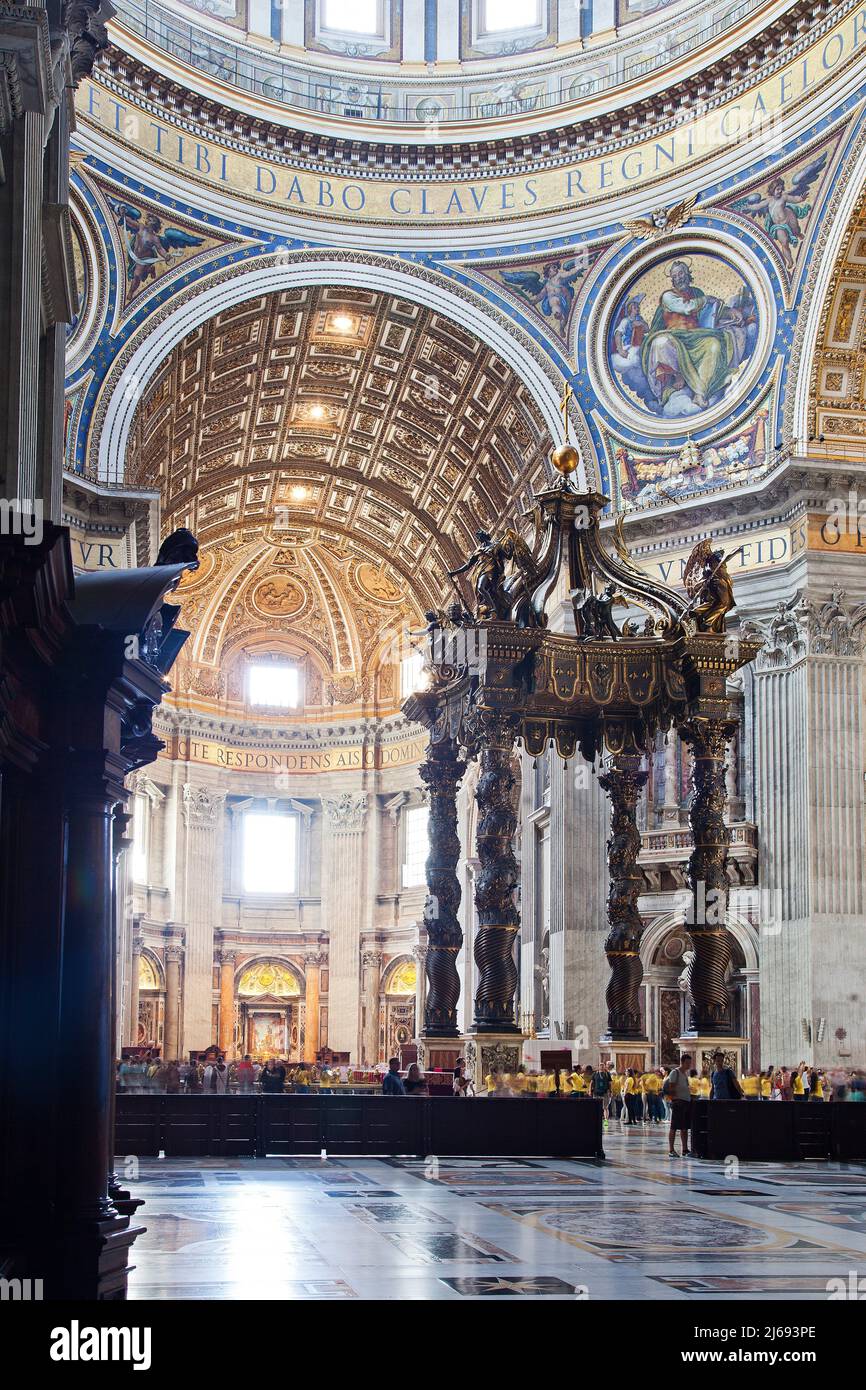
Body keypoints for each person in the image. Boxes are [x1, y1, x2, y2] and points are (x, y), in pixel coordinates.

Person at [665, 1052, 693, 1157]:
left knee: (684, 1127)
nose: (689, 1065)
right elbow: (671, 1087)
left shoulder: (685, 1074)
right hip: (678, 1103)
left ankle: (685, 1149)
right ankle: (671, 1150)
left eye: (690, 1063)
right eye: (687, 1063)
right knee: (674, 1127)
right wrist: (675, 1100)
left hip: (686, 1102)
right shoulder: (675, 1072)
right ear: (682, 1062)